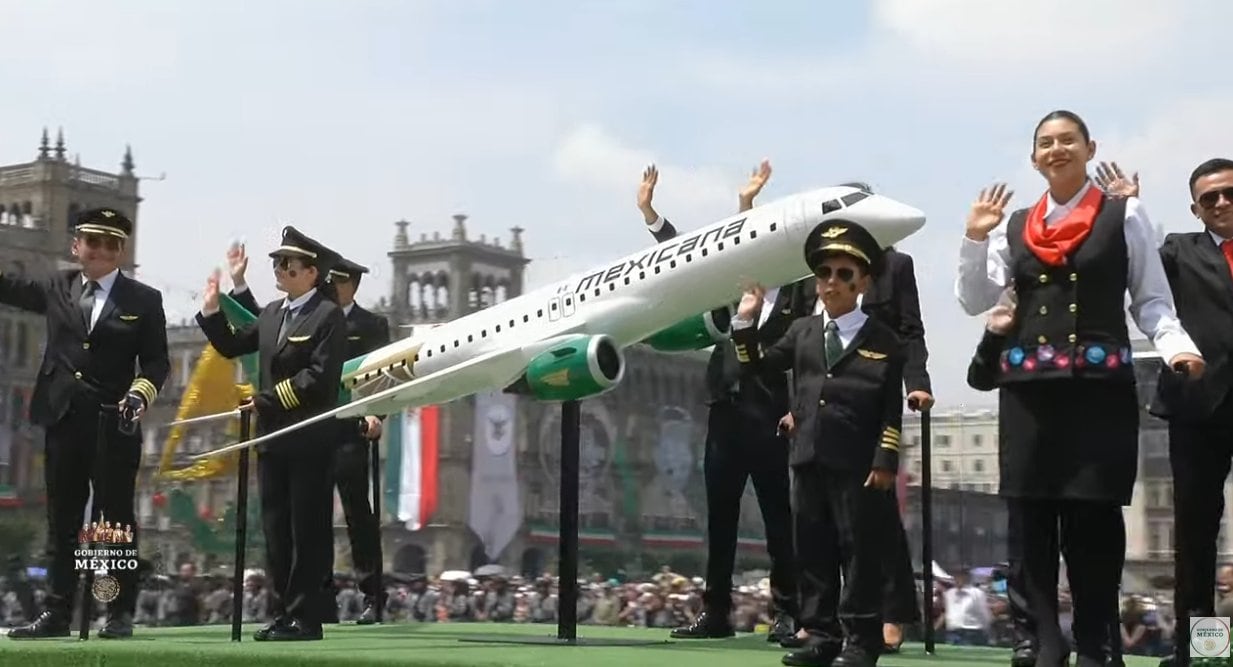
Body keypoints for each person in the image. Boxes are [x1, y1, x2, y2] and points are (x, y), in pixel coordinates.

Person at [955, 109, 1204, 667]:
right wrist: (974, 237)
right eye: (1045, 142)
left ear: (1090, 149)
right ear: (1033, 157)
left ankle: (1098, 645)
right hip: (1027, 392)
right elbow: (975, 299)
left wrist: (1178, 346)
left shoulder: (1124, 214)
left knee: (1093, 523)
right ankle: (1043, 641)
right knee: (1031, 522)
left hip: (1097, 391)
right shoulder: (1014, 225)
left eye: (1068, 140)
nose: (1056, 149)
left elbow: (1151, 298)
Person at [638, 161, 801, 643]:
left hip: (773, 417)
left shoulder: (798, 293)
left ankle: (787, 614)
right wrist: (650, 212)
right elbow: (686, 255)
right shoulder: (727, 289)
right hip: (725, 417)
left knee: (778, 521)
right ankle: (716, 614)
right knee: (721, 521)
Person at [733, 220, 903, 667]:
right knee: (812, 551)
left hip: (857, 463)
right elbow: (762, 368)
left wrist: (886, 458)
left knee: (858, 552)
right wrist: (744, 324)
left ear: (863, 281)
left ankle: (862, 642)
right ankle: (822, 636)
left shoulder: (883, 339)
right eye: (824, 273)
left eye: (844, 274)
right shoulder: (803, 331)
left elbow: (890, 409)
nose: (832, 283)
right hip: (807, 457)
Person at [2, 208, 169, 640]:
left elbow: (156, 362)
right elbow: (9, 288)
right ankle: (56, 612)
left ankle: (118, 613)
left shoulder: (144, 299)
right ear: (76, 246)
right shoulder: (57, 285)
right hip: (63, 419)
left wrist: (140, 393)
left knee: (114, 523)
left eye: (109, 244)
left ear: (120, 251)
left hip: (113, 422)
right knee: (62, 520)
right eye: (90, 242)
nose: (98, 251)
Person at [196, 225, 348, 641]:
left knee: (307, 531)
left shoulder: (328, 315)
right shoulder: (273, 314)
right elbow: (232, 345)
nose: (279, 269)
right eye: (277, 263)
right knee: (276, 530)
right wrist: (211, 310)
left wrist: (265, 400)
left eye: (287, 264)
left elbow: (318, 379)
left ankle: (307, 617)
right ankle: (284, 612)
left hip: (309, 438)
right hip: (272, 439)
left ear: (311, 272)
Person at [226, 246, 390, 624]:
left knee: (355, 513)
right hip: (304, 426)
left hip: (349, 425)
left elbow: (382, 374)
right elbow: (265, 327)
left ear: (354, 285)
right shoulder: (304, 312)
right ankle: (317, 598)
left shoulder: (368, 324)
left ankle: (371, 593)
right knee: (304, 518)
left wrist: (377, 414)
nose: (336, 286)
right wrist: (238, 284)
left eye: (342, 281)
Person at [808, 181, 933, 653]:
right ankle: (825, 621)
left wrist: (918, 382)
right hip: (824, 404)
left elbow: (909, 328)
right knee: (822, 519)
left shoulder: (895, 265)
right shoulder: (819, 269)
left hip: (872, 398)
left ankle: (893, 612)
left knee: (876, 513)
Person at [1132, 158, 1233, 667]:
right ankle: (1201, 648)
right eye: (1208, 198)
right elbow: (1141, 267)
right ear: (1196, 208)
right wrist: (1132, 205)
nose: (1220, 203)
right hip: (1199, 406)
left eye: (1228, 193)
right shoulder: (1180, 250)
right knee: (1196, 530)